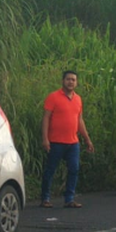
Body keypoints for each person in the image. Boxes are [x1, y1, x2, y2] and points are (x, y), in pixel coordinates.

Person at [40, 70, 94, 208]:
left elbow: (80, 121)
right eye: (68, 79)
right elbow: (46, 118)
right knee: (50, 170)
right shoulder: (53, 97)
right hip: (56, 142)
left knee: (74, 169)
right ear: (63, 81)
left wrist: (87, 139)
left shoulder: (78, 99)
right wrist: (45, 138)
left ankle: (69, 199)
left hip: (73, 142)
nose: (71, 82)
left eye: (73, 80)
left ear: (76, 82)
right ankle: (45, 198)